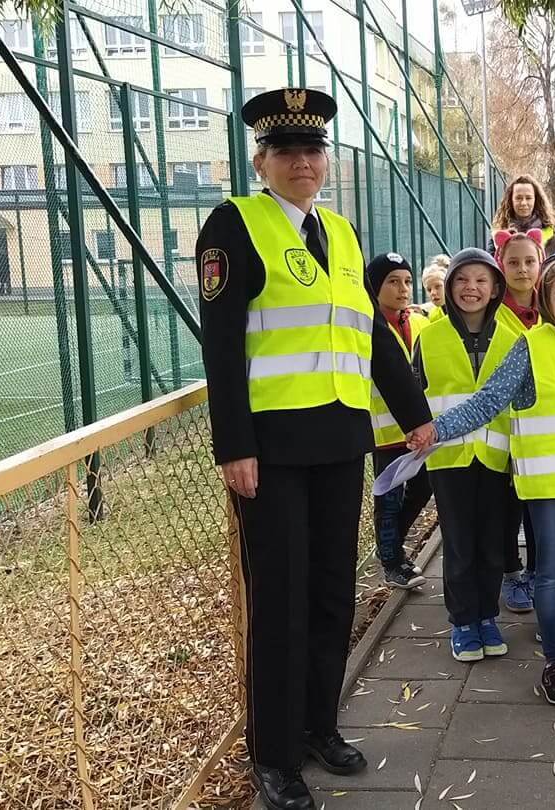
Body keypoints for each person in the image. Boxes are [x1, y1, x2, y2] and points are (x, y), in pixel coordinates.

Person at [197, 88, 432, 810]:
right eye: (287, 151)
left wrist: (414, 413)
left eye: (313, 149)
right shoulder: (235, 225)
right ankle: (273, 757)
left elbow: (369, 333)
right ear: (261, 161)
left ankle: (318, 726)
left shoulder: (342, 233)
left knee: (333, 589)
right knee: (281, 600)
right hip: (270, 451)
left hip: (338, 441)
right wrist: (233, 445)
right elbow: (222, 344)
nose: (303, 161)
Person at [407, 252, 555, 707]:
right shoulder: (530, 346)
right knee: (551, 574)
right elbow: (487, 401)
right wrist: (437, 429)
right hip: (547, 485)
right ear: (545, 301)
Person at [412, 248, 520, 661]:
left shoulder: (512, 340)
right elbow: (415, 393)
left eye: (480, 280)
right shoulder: (429, 338)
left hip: (496, 459)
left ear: (495, 289)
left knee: (493, 543)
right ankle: (462, 621)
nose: (470, 288)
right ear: (448, 285)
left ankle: (487, 616)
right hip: (448, 459)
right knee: (458, 543)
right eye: (461, 279)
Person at [368, 253, 432, 589]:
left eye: (407, 281)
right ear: (374, 287)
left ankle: (392, 545)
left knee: (423, 488)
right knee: (389, 499)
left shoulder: (420, 323)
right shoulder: (365, 327)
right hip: (386, 432)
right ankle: (392, 563)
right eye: (393, 282)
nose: (403, 289)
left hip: (420, 431)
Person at [491, 228, 544, 613]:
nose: (522, 269)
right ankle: (511, 573)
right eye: (513, 262)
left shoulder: (553, 305)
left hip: (544, 426)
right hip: (502, 426)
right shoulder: (492, 312)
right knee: (506, 507)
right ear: (501, 265)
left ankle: (539, 572)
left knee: (539, 508)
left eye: (529, 261)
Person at [491, 175, 555, 241]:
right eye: (518, 198)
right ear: (510, 200)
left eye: (528, 198)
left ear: (536, 199)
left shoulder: (550, 231)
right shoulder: (500, 234)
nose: (523, 203)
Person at [419, 255, 449, 321]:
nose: (433, 293)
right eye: (429, 290)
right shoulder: (432, 316)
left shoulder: (467, 310)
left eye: (438, 286)